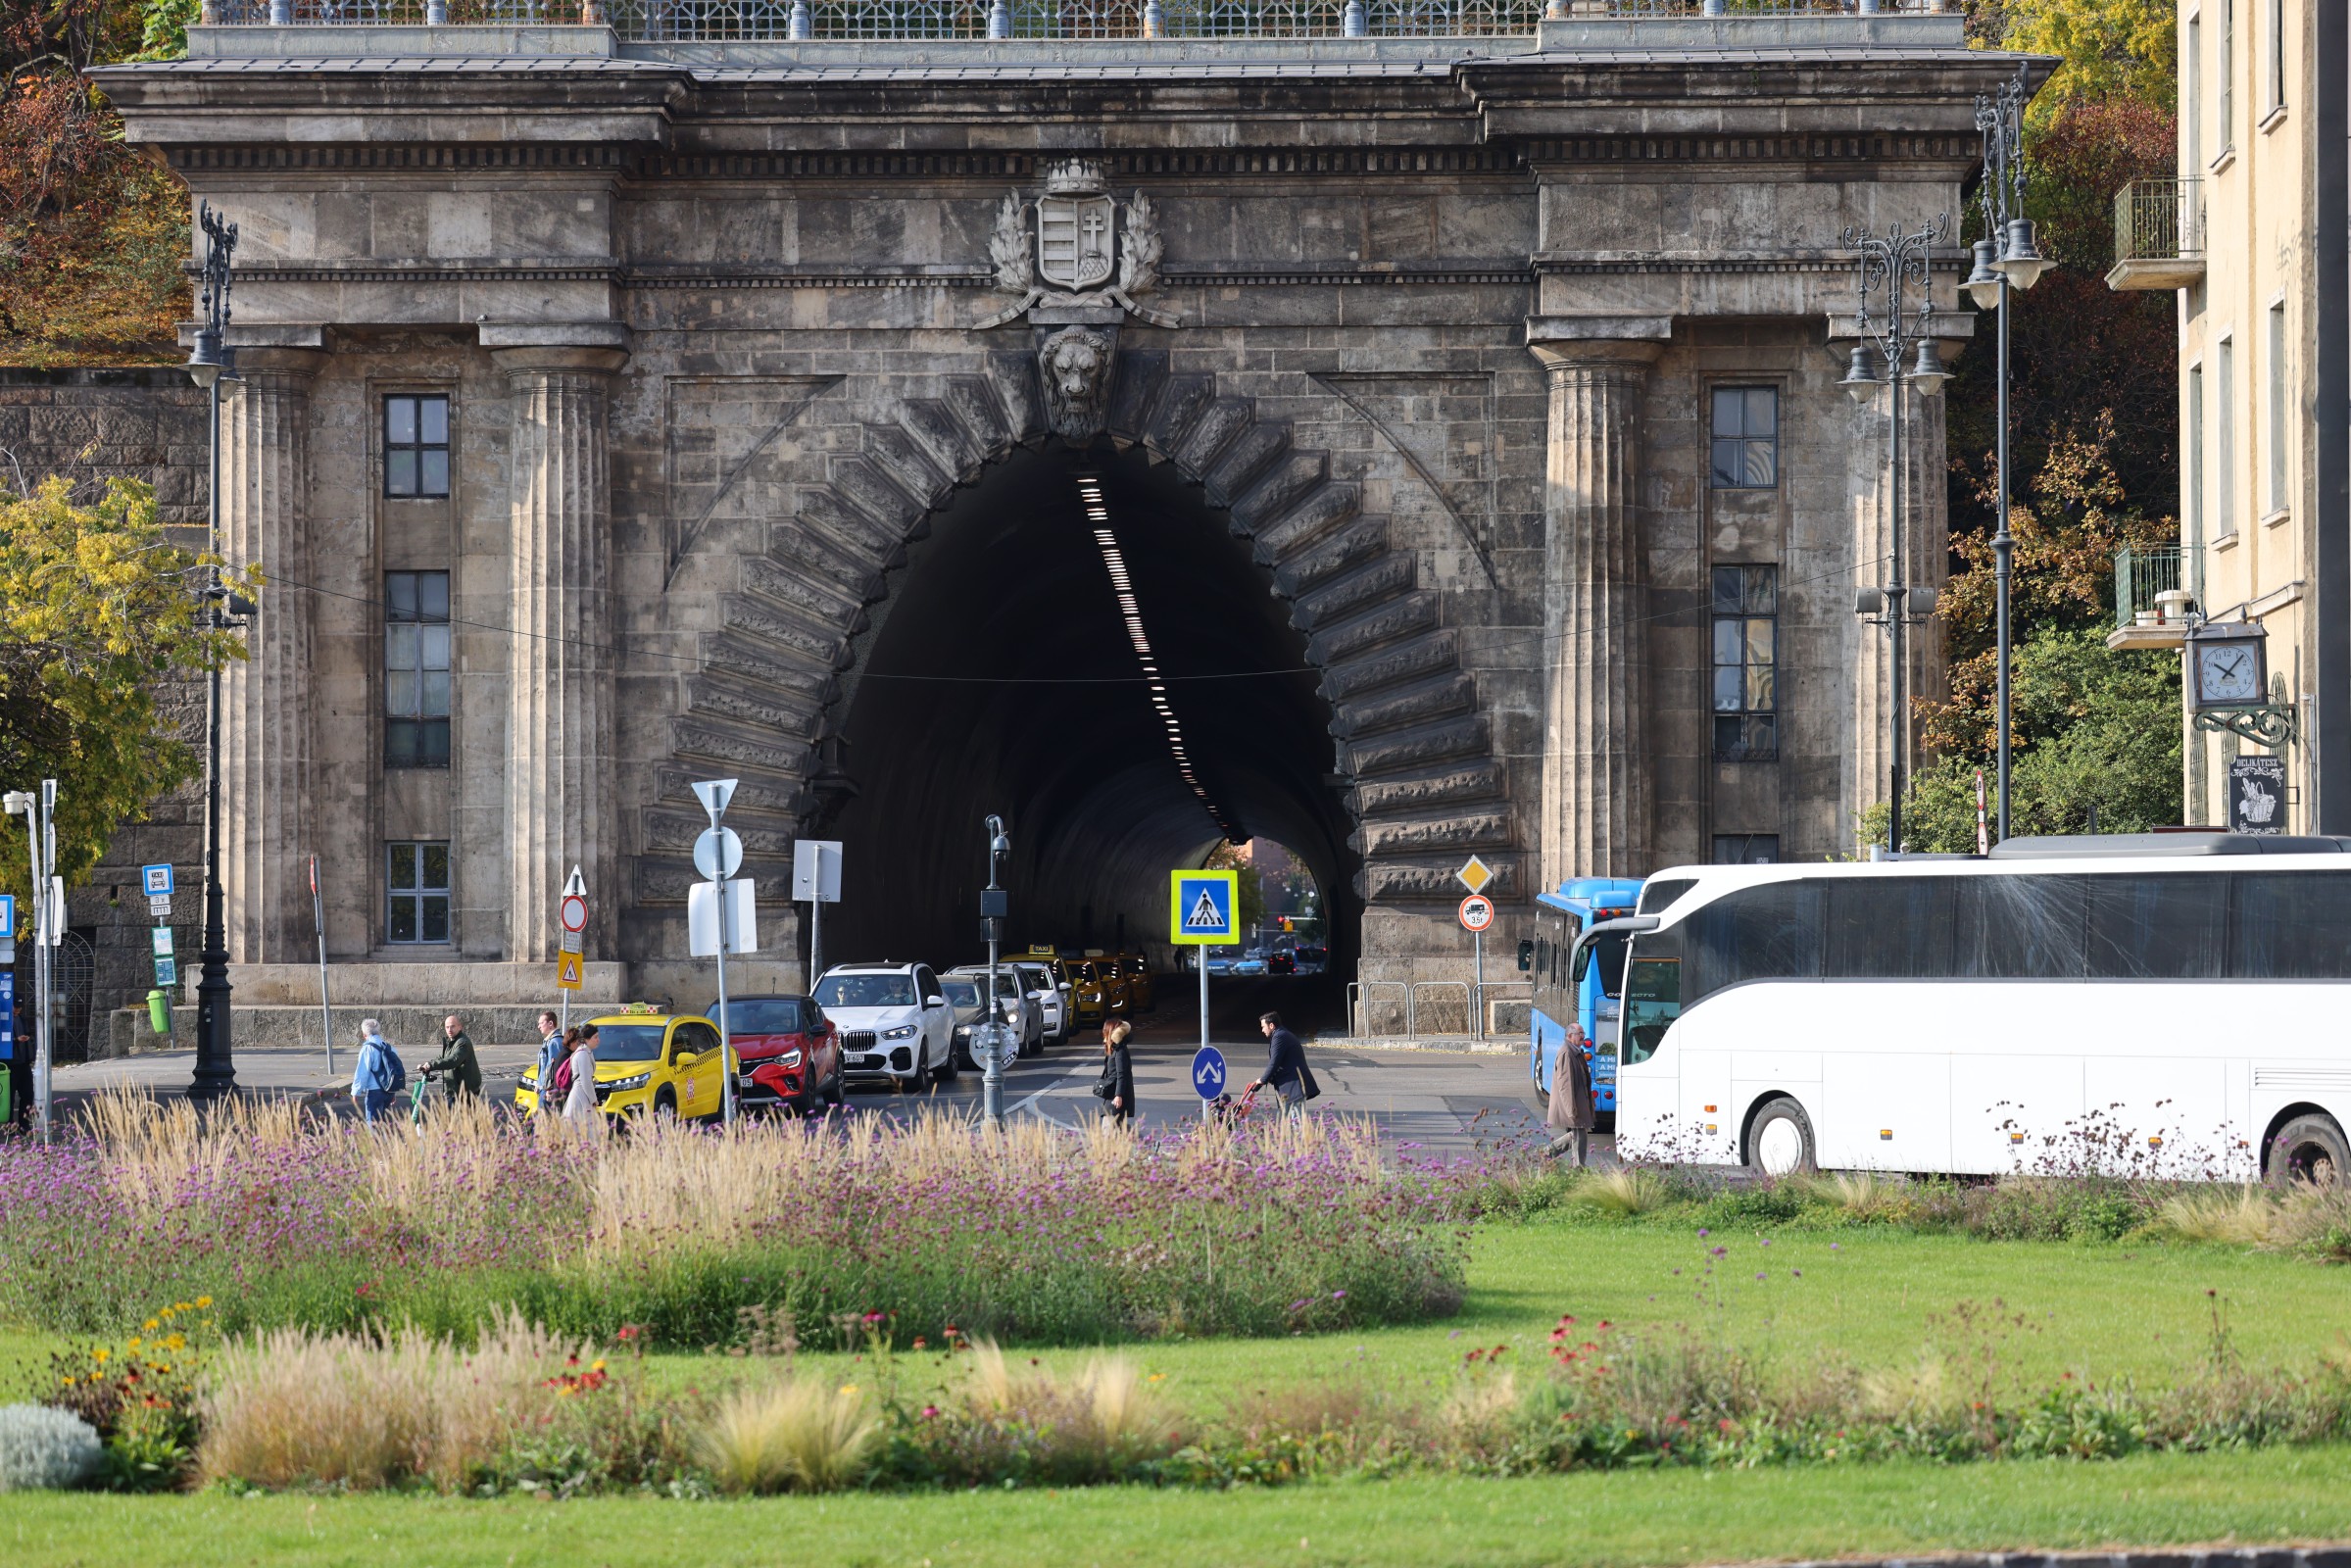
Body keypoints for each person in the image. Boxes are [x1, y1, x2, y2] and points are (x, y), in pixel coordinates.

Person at [1248, 1009, 1317, 1123]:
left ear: (1271, 1025)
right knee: (1287, 1122)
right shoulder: (1282, 1034)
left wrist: (1262, 1080)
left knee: (1297, 1123)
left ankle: (1301, 1140)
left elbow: (1274, 1062)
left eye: (1263, 1027)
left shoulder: (1279, 1037)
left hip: (1294, 1087)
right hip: (1289, 1088)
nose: (1262, 1030)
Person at [1544, 1024, 1596, 1166]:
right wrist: (1570, 1109)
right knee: (1580, 1135)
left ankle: (1549, 1152)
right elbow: (1565, 1086)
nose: (1582, 1036)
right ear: (1569, 1036)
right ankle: (1578, 1169)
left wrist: (1590, 1101)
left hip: (1579, 1102)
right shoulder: (1566, 1054)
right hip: (1573, 1104)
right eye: (1579, 1033)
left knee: (1580, 1134)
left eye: (1583, 1033)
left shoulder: (1576, 1052)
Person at [350, 1019, 399, 1125]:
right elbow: (393, 1071)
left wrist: (355, 1092)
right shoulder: (389, 1048)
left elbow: (362, 1072)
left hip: (374, 1091)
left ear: (364, 1034)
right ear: (379, 1032)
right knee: (384, 1124)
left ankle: (374, 1141)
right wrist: (393, 1092)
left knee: (373, 1124)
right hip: (388, 1091)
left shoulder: (367, 1049)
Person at [427, 1013, 482, 1103]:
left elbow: (453, 1060)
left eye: (452, 1026)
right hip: (453, 1089)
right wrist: (428, 1064)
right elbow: (443, 1057)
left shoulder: (462, 1043)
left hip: (465, 1091)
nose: (449, 1030)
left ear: (459, 1027)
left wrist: (431, 1065)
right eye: (447, 1027)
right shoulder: (451, 1041)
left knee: (465, 1117)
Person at [1094, 1017, 1136, 1129]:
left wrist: (1118, 1095)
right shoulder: (1115, 1049)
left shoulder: (1119, 1051)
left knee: (1108, 1129)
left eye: (1105, 1031)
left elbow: (1121, 1075)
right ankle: (1146, 1142)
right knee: (1119, 1128)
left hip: (1116, 1097)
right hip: (1113, 1094)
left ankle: (1145, 1142)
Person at [562, 1022, 603, 1134]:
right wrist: (594, 1100)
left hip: (582, 1094)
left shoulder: (586, 1052)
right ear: (587, 1039)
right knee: (581, 1130)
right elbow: (585, 1081)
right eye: (595, 1037)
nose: (598, 1040)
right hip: (580, 1095)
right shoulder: (583, 1054)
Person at [533, 1010, 564, 1114]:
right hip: (544, 1089)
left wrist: (549, 1089)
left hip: (548, 1091)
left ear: (550, 1023)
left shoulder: (554, 1042)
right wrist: (539, 1084)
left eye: (541, 1023)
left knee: (545, 1122)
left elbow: (553, 1069)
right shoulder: (549, 1041)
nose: (539, 1026)